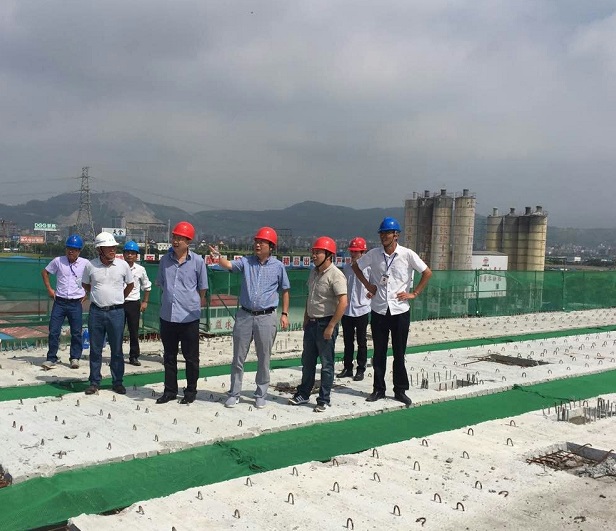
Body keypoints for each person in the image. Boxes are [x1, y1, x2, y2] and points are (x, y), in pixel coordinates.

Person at [352, 217, 432, 406]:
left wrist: (414, 293)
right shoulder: (374, 254)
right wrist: (368, 286)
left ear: (396, 235)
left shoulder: (407, 254)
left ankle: (400, 390)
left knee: (399, 352)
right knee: (379, 352)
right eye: (381, 233)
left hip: (400, 310)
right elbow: (356, 267)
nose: (383, 236)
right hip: (379, 309)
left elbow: (427, 272)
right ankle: (378, 389)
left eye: (387, 233)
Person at [211, 227, 290, 409]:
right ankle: (234, 393)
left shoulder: (278, 267)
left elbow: (285, 290)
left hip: (266, 317)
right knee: (238, 357)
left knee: (264, 358)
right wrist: (218, 257)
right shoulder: (246, 262)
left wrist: (284, 314)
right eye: (256, 241)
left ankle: (261, 394)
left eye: (262, 242)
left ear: (271, 246)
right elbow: (229, 265)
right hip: (245, 315)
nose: (258, 245)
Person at [289, 236, 347, 413]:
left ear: (328, 255)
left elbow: (343, 302)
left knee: (326, 364)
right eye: (313, 252)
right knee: (307, 361)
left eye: (318, 252)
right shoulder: (313, 272)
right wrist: (306, 317)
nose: (313, 255)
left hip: (326, 323)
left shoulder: (336, 275)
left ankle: (323, 399)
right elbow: (311, 297)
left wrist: (331, 325)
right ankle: (304, 393)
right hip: (312, 323)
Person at [155, 221, 208, 405]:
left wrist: (192, 303)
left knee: (191, 358)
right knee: (169, 356)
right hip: (168, 316)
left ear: (188, 241)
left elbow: (202, 288)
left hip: (189, 318)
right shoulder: (165, 261)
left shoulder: (198, 262)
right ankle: (170, 390)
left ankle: (191, 390)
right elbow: (162, 284)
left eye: (180, 238)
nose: (176, 241)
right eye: (174, 237)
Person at [82, 232, 134, 395]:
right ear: (99, 249)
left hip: (116, 312)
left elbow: (130, 285)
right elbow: (85, 284)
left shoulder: (123, 265)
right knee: (95, 349)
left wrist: (118, 298)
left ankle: (117, 382)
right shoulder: (90, 266)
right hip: (96, 312)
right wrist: (97, 295)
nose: (112, 250)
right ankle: (94, 382)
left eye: (113, 247)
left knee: (117, 349)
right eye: (108, 247)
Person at [41, 234, 88, 370]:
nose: (70, 251)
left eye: (74, 249)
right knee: (54, 330)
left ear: (79, 251)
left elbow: (93, 278)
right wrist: (50, 289)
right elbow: (45, 272)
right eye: (68, 248)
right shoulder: (58, 261)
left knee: (76, 332)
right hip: (60, 302)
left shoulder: (85, 264)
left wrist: (87, 293)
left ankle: (75, 358)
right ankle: (51, 358)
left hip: (76, 303)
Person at [337, 237, 371, 381]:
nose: (353, 254)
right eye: (352, 251)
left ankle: (361, 369)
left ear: (363, 252)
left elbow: (375, 284)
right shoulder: (347, 268)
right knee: (348, 341)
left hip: (362, 308)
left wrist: (371, 293)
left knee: (361, 342)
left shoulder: (369, 268)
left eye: (356, 252)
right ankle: (348, 367)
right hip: (347, 310)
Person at [122, 240, 152, 366]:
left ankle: (134, 356)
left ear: (136, 256)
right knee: (117, 331)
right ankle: (117, 355)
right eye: (127, 253)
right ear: (123, 254)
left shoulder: (140, 269)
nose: (130, 255)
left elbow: (147, 286)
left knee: (134, 331)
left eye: (132, 253)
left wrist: (145, 301)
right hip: (119, 303)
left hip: (133, 303)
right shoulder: (118, 267)